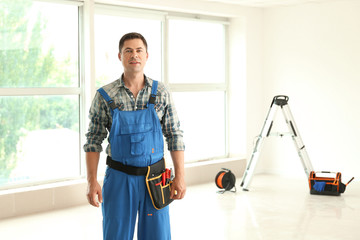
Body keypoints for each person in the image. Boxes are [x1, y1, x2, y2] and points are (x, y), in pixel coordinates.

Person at [83, 32, 186, 240]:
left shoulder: (161, 92)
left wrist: (180, 176)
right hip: (119, 178)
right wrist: (91, 181)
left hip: (156, 179)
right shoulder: (105, 95)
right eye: (128, 50)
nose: (134, 55)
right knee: (116, 235)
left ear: (146, 55)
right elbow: (93, 141)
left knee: (158, 236)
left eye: (139, 50)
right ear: (119, 56)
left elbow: (174, 135)